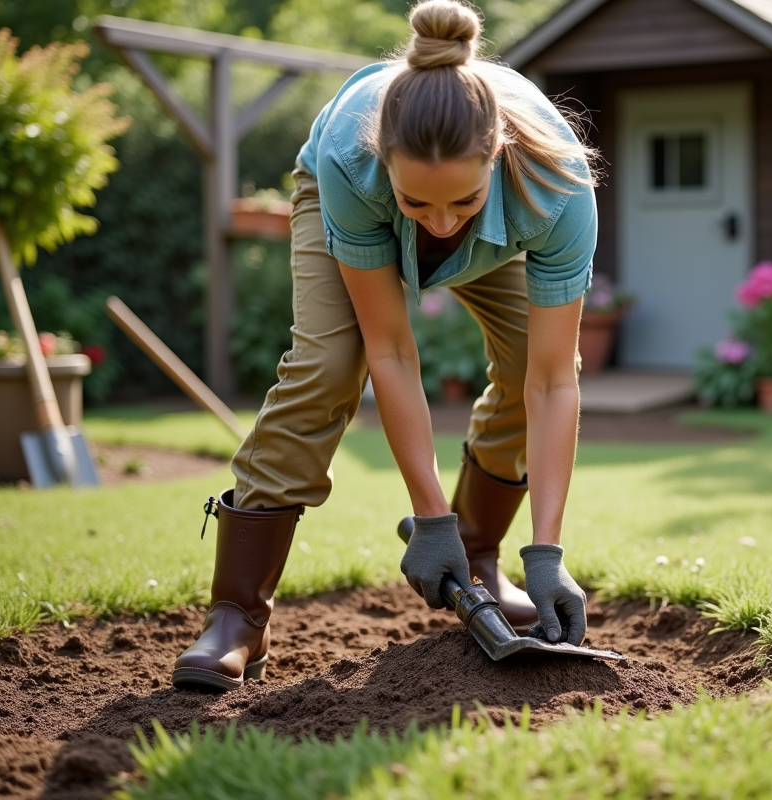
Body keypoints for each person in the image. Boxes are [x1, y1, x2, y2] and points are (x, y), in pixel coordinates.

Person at [170, 0, 599, 691]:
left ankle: (482, 559)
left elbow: (553, 382)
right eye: (419, 202)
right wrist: (430, 519)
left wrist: (546, 552)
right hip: (353, 212)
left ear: (496, 155)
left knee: (531, 365)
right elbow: (391, 353)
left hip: (502, 238)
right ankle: (237, 616)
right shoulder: (352, 158)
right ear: (385, 164)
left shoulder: (555, 186)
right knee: (327, 366)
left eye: (460, 201)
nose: (438, 222)